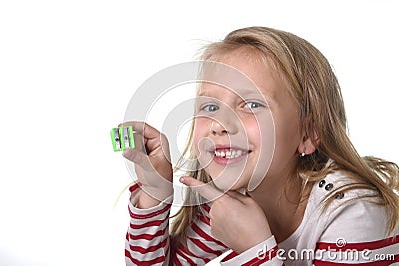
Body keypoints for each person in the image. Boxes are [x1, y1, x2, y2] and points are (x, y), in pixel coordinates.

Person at [120, 26, 399, 265]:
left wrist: (255, 249)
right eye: (210, 106)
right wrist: (154, 192)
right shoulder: (229, 201)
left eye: (251, 105)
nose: (219, 124)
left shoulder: (353, 212)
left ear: (308, 132)